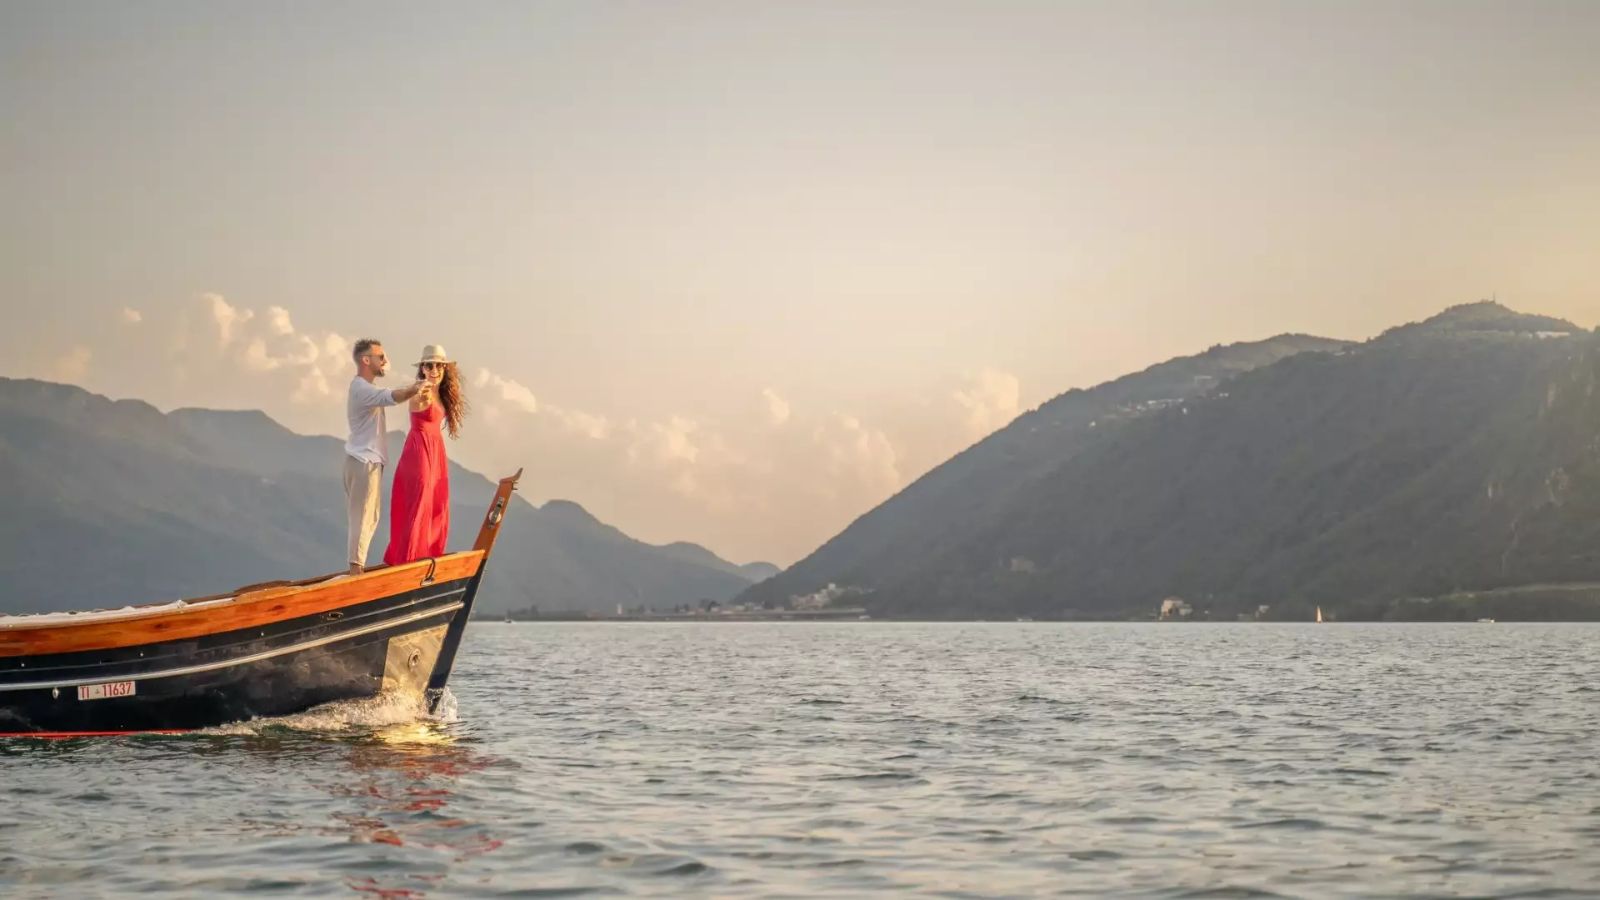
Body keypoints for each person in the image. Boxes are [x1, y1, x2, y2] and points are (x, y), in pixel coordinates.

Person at [344, 339, 428, 574]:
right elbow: (393, 396)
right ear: (366, 360)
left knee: (369, 517)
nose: (385, 361)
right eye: (380, 356)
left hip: (362, 461)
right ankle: (355, 573)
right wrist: (416, 387)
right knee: (363, 519)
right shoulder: (362, 388)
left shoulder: (362, 387)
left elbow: (386, 390)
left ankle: (356, 569)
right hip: (364, 462)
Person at [383, 344, 468, 566]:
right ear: (422, 368)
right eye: (429, 365)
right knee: (419, 502)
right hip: (419, 450)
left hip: (436, 452)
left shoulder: (441, 393)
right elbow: (413, 392)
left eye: (439, 365)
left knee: (437, 503)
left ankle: (427, 555)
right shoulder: (421, 390)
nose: (434, 370)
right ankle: (408, 561)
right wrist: (418, 388)